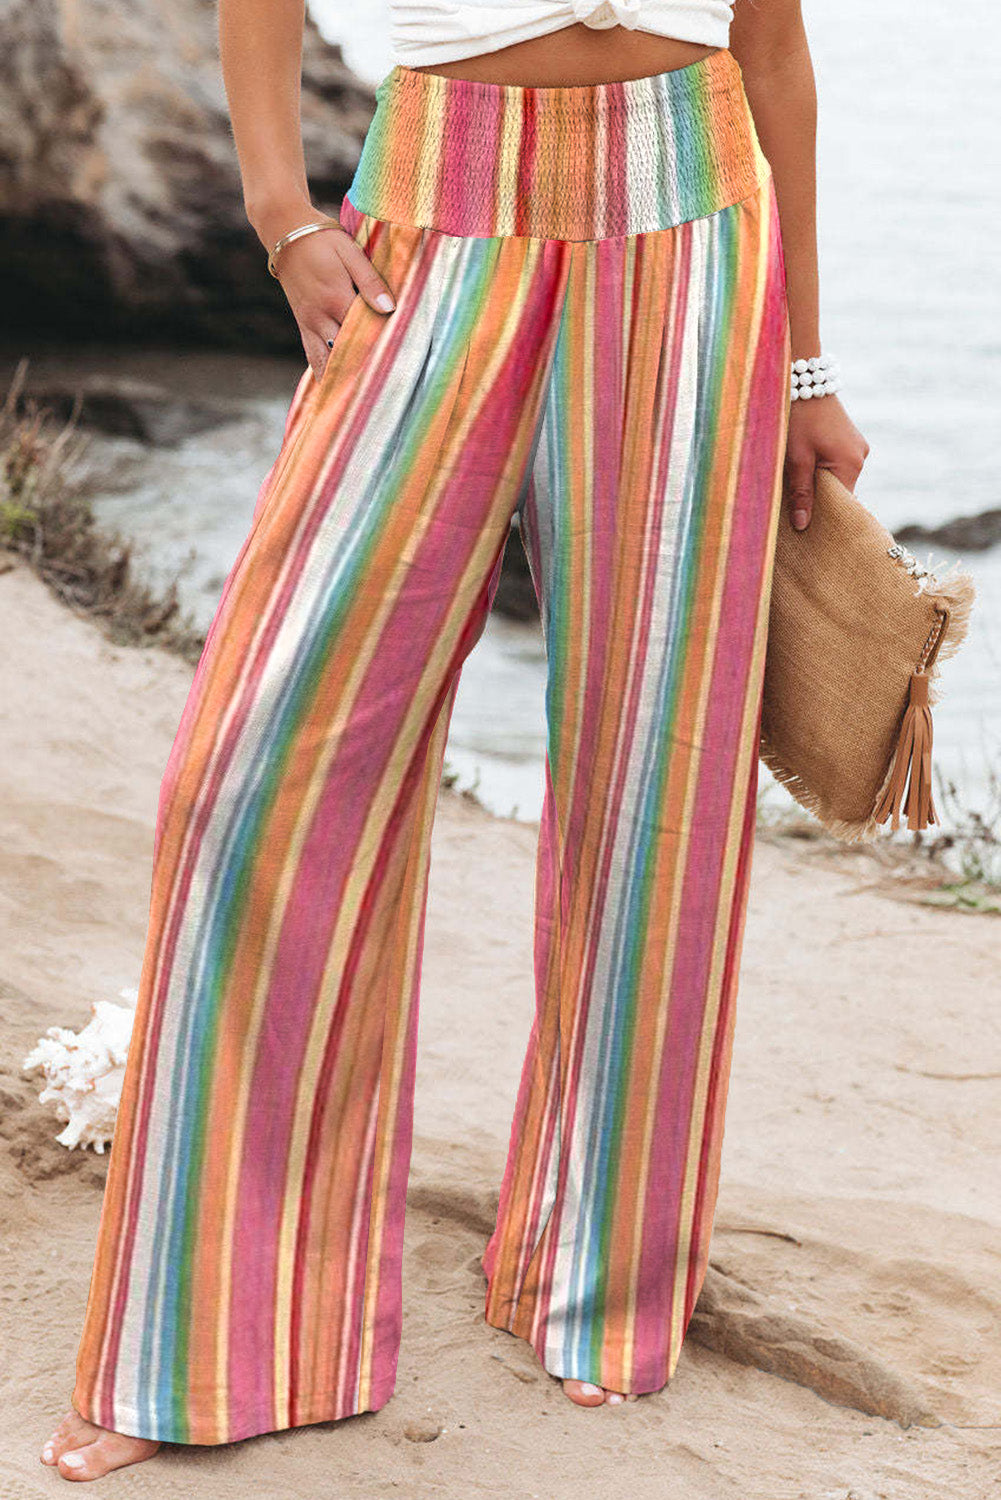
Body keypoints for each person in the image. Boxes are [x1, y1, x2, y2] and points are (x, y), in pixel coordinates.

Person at [41, 0, 868, 1482]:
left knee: (655, 771)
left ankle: (592, 1281)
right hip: (431, 215)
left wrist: (807, 371)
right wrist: (281, 212)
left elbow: (775, 46)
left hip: (690, 216)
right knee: (257, 770)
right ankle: (215, 1326)